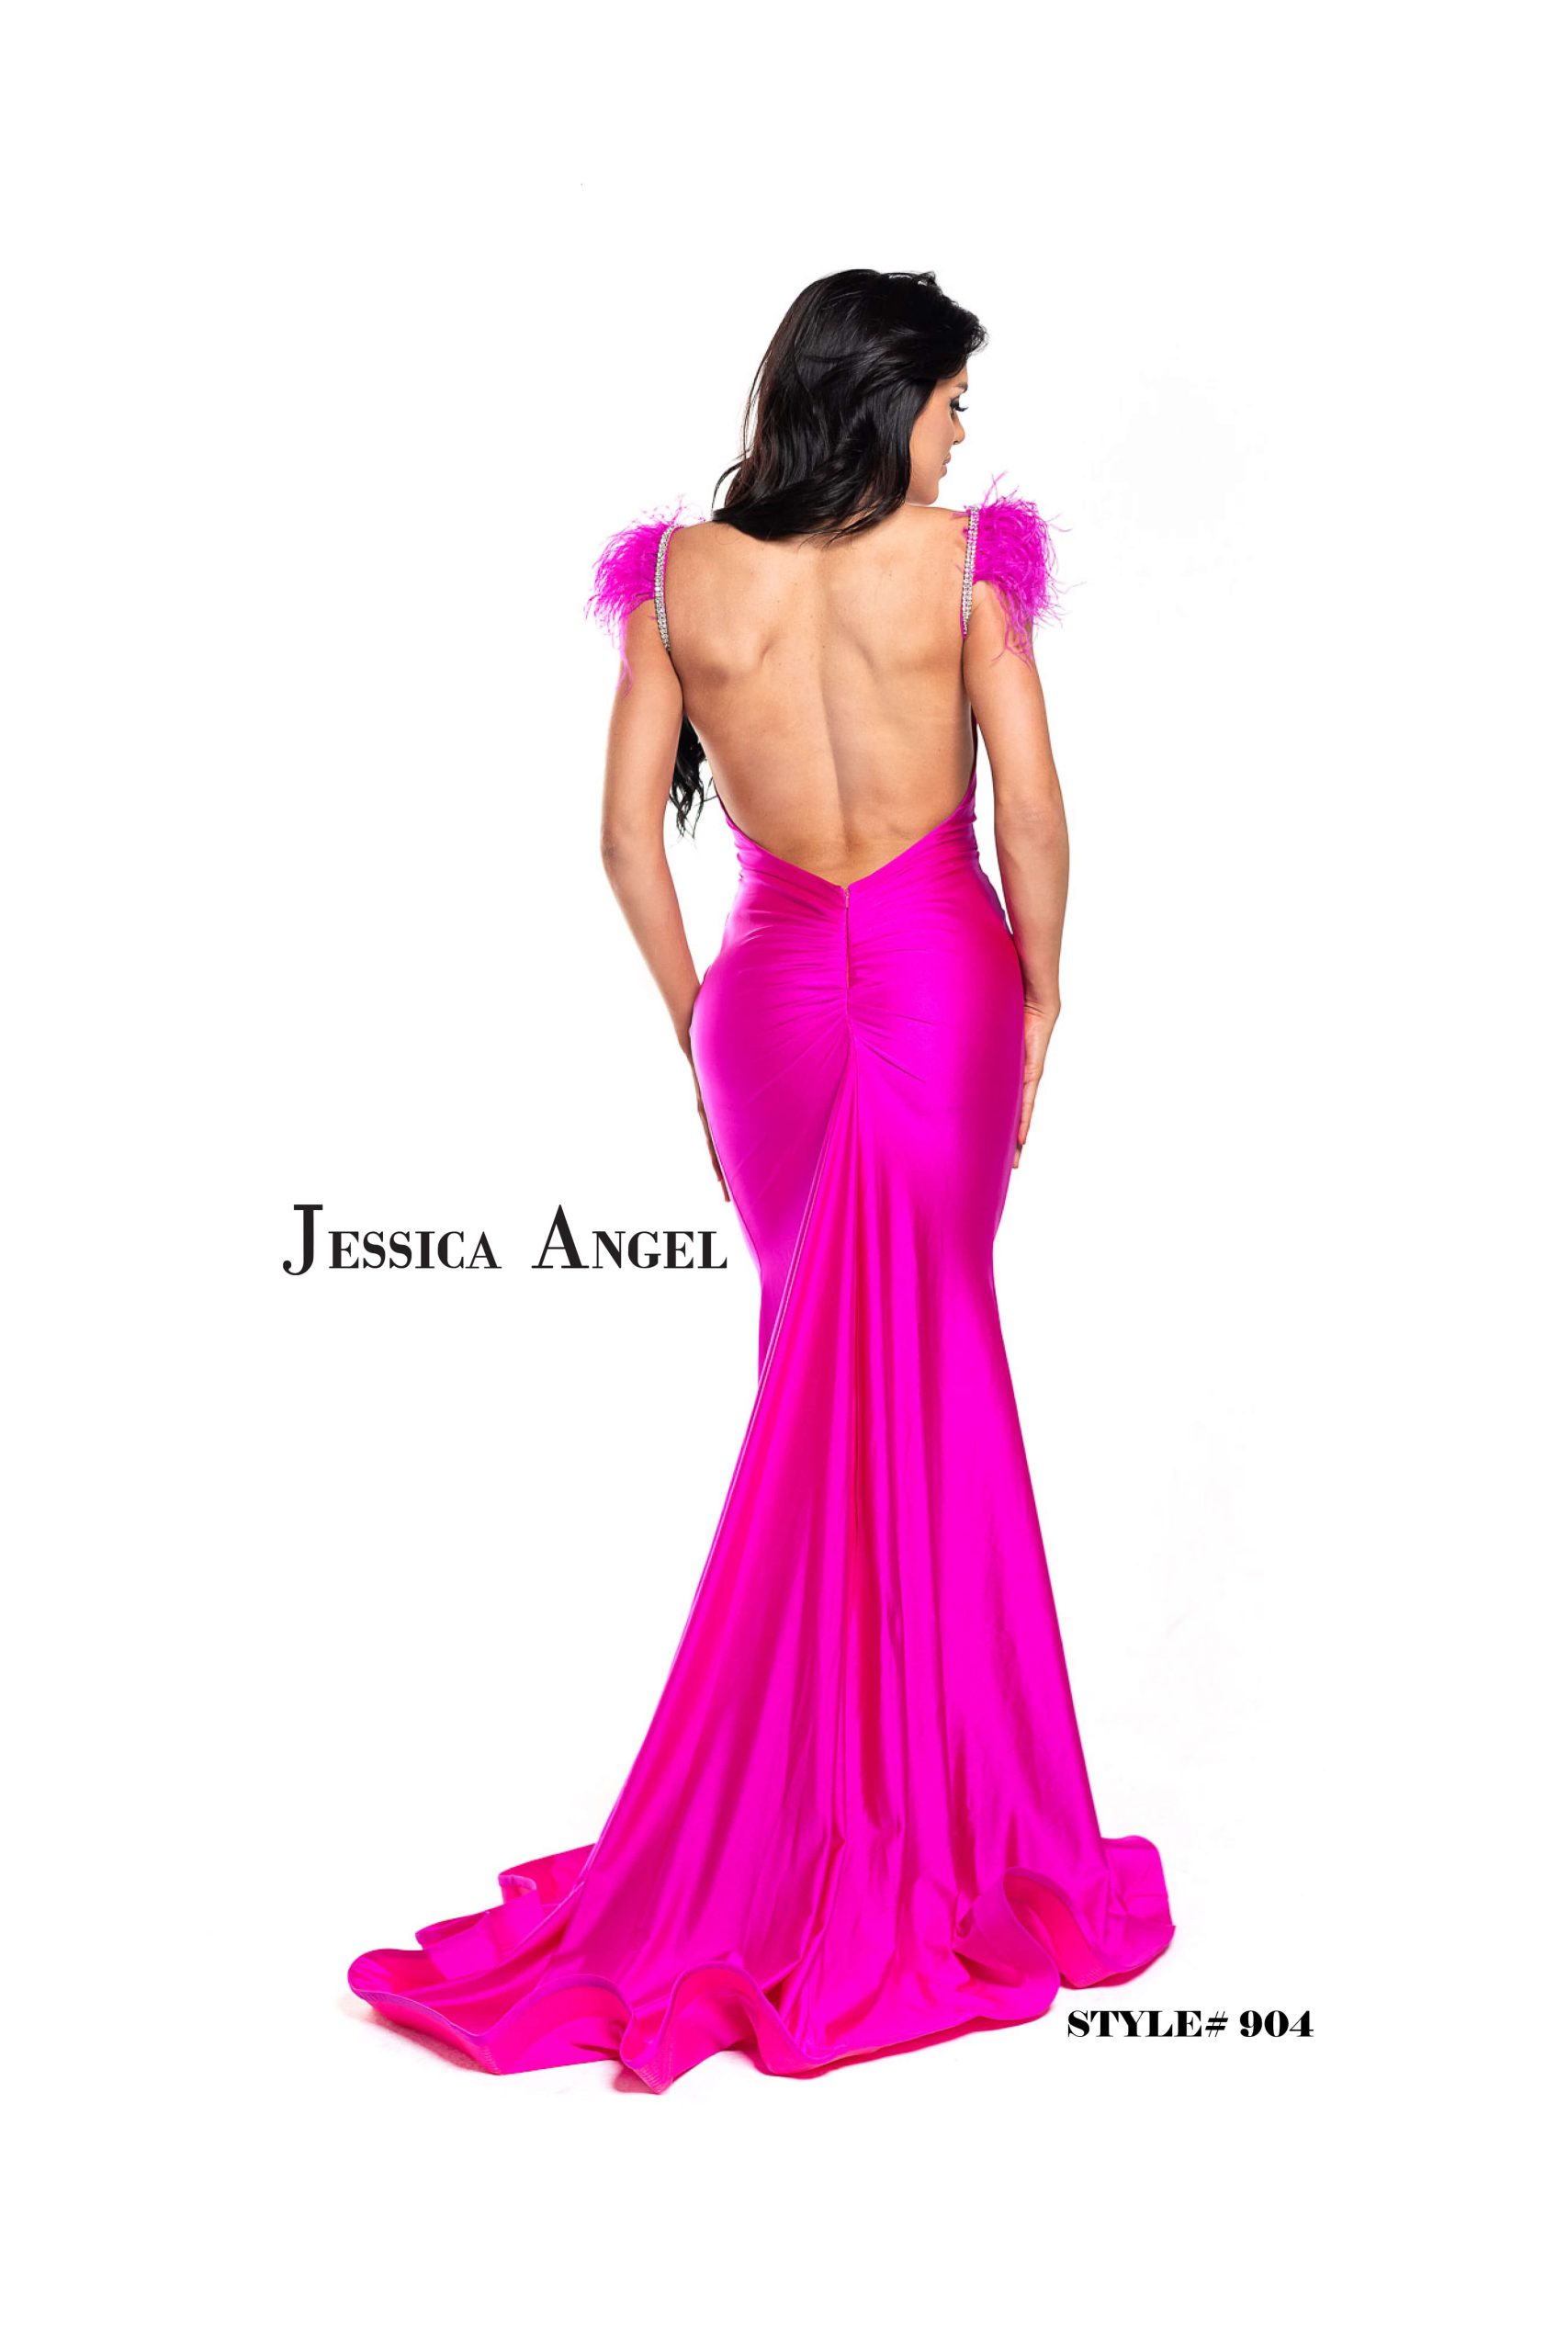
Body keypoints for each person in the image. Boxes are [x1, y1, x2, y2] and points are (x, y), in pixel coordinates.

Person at [346, 268, 1175, 2090]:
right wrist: (1044, 990)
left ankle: (814, 1800)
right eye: (950, 403)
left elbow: (619, 835)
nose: (960, 436)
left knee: (815, 1364)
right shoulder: (962, 569)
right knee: (935, 1359)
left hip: (771, 1006)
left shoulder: (679, 581)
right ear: (885, 400)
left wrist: (692, 1020)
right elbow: (1032, 812)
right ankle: (936, 1823)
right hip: (940, 978)